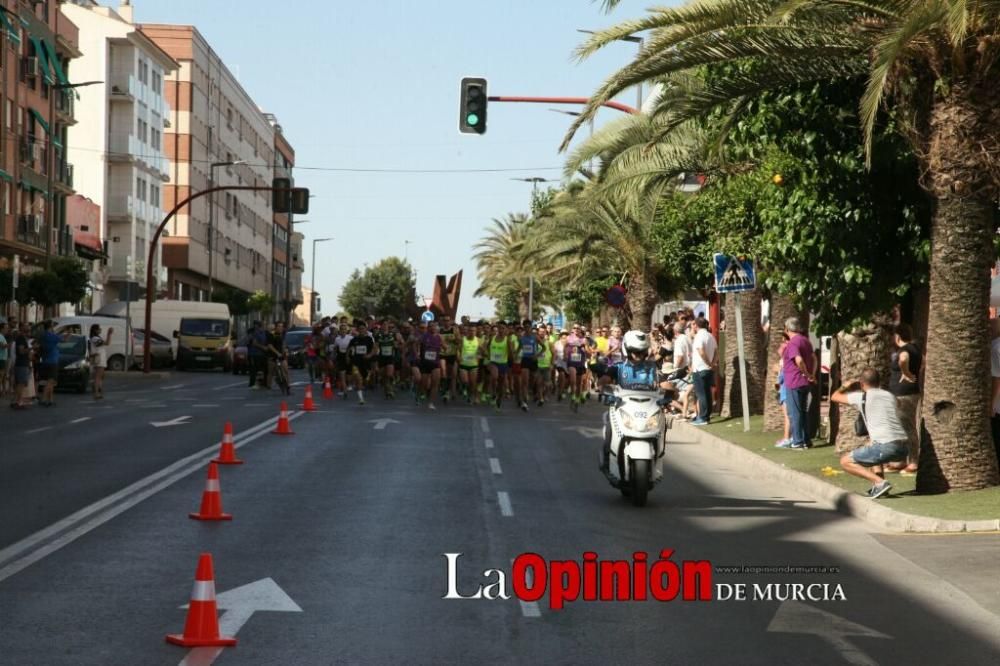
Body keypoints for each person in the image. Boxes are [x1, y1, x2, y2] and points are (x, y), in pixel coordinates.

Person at [831, 368, 910, 499]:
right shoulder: (889, 396)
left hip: (887, 446)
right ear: (878, 382)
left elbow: (834, 397)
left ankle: (880, 482)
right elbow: (899, 403)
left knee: (845, 461)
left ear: (862, 384)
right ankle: (879, 487)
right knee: (872, 445)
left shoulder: (861, 396)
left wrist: (845, 386)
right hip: (904, 447)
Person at [599, 330, 662, 472]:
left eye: (641, 351)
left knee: (661, 424)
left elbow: (664, 382)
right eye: (634, 351)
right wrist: (603, 387)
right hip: (623, 406)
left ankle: (659, 455)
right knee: (609, 423)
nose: (638, 354)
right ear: (627, 349)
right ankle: (607, 458)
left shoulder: (652, 368)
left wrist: (670, 389)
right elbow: (604, 380)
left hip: (648, 407)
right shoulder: (618, 367)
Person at [888, 323, 921, 474]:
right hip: (906, 392)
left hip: (903, 394)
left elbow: (903, 359)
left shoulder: (905, 350)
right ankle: (900, 460)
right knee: (901, 426)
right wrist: (914, 373)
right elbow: (924, 362)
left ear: (898, 336)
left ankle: (913, 462)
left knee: (907, 427)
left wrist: (906, 372)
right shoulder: (916, 349)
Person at [780, 316, 815, 447]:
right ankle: (806, 440)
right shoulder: (805, 341)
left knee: (795, 412)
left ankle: (798, 441)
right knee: (803, 412)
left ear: (787, 329)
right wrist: (811, 374)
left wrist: (805, 373)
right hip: (804, 382)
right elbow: (814, 358)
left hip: (794, 381)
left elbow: (798, 360)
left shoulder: (794, 343)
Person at [689, 316, 718, 426]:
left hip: (700, 369)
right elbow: (716, 352)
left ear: (696, 325)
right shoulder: (710, 336)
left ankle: (703, 418)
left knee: (701, 394)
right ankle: (706, 416)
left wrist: (709, 363)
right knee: (707, 393)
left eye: (693, 324)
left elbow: (701, 351)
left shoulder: (699, 336)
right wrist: (712, 364)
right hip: (707, 369)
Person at [348, 321, 376, 404]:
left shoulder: (369, 339)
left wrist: (369, 355)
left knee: (365, 380)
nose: (361, 330)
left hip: (366, 363)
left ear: (365, 329)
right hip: (356, 362)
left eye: (363, 329)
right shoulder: (354, 339)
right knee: (359, 379)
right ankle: (361, 399)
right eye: (359, 329)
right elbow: (349, 349)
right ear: (357, 330)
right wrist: (347, 357)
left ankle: (364, 382)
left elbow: (374, 349)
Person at [37, 320, 62, 407]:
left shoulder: (42, 335)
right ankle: (44, 399)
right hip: (52, 361)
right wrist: (69, 333)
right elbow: (63, 340)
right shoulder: (52, 336)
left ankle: (50, 400)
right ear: (51, 327)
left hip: (45, 360)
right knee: (51, 381)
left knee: (50, 381)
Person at [88, 323, 113, 400]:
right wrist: (109, 334)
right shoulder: (95, 338)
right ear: (95, 330)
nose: (100, 330)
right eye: (99, 329)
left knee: (100, 376)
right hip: (99, 359)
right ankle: (96, 393)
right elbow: (107, 343)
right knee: (98, 377)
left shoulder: (95, 338)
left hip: (99, 359)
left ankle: (98, 390)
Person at [11, 322, 33, 409]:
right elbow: (21, 351)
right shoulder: (20, 338)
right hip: (21, 364)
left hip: (22, 363)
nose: (28, 327)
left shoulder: (23, 338)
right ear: (22, 328)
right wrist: (31, 348)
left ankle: (16, 401)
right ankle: (19, 402)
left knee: (20, 383)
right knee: (21, 383)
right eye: (26, 326)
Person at [246, 321, 267, 389]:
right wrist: (263, 347)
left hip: (261, 354)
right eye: (264, 325)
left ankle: (261, 383)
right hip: (254, 354)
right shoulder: (255, 333)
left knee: (261, 370)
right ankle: (252, 384)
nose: (265, 327)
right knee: (253, 369)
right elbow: (254, 343)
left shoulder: (264, 333)